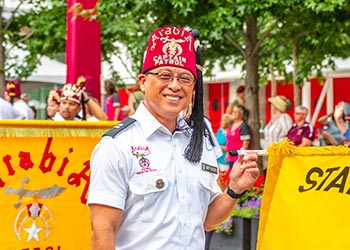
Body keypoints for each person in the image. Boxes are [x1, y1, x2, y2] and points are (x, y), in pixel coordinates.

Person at [87, 26, 259, 250]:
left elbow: (207, 221)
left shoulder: (199, 141)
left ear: (194, 88)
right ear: (143, 81)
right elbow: (103, 231)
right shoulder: (118, 145)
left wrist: (235, 188)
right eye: (164, 75)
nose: (175, 85)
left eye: (185, 78)